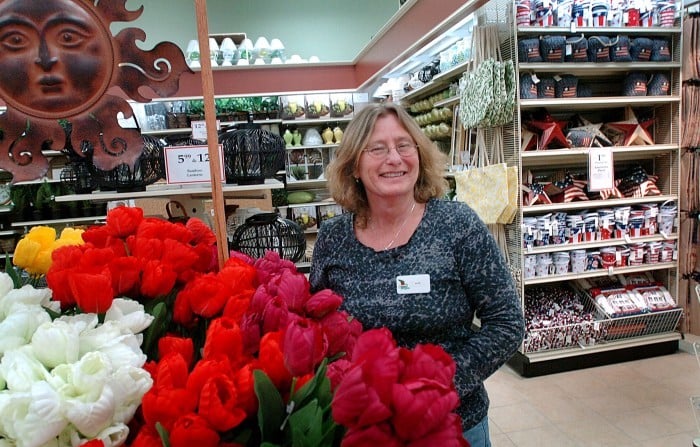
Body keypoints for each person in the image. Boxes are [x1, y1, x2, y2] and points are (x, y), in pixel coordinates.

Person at [309, 102, 525, 447]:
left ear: (420, 155)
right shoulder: (334, 238)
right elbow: (319, 327)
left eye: (404, 145)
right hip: (365, 428)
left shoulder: (457, 225)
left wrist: (436, 386)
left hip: (452, 424)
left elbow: (507, 323)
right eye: (376, 149)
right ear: (354, 167)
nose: (393, 158)